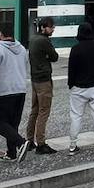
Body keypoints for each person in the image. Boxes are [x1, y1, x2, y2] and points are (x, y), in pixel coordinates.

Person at [0, 24, 30, 162]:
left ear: (1, 33)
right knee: (12, 122)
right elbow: (24, 66)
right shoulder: (21, 48)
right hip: (20, 90)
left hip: (4, 91)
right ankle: (11, 153)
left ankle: (21, 142)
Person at [67, 24, 94, 154]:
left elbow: (71, 69)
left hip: (79, 87)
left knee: (76, 116)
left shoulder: (75, 49)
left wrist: (71, 85)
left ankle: (72, 145)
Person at [27, 17, 60, 155]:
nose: (53, 29)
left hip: (34, 79)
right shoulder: (44, 41)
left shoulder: (33, 39)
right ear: (43, 27)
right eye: (51, 27)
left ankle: (29, 140)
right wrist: (47, 56)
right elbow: (55, 57)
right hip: (44, 80)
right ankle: (41, 143)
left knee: (34, 110)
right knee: (44, 111)